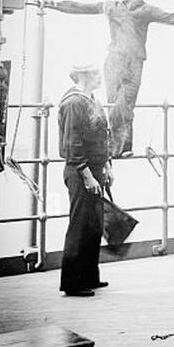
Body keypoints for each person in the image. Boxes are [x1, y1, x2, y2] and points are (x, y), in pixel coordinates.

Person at [42, 0, 174, 157]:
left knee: (126, 103)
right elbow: (82, 8)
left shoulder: (145, 10)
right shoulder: (110, 7)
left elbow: (172, 17)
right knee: (114, 105)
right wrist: (53, 4)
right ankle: (116, 148)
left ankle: (124, 146)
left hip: (134, 63)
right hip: (114, 62)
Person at [57, 62, 113, 296]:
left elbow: (102, 135)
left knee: (94, 225)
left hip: (95, 169)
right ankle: (72, 282)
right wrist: (87, 174)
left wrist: (107, 165)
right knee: (80, 225)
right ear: (84, 75)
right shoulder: (73, 103)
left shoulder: (90, 100)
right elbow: (73, 143)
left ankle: (89, 276)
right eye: (96, 73)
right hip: (81, 172)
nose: (101, 76)